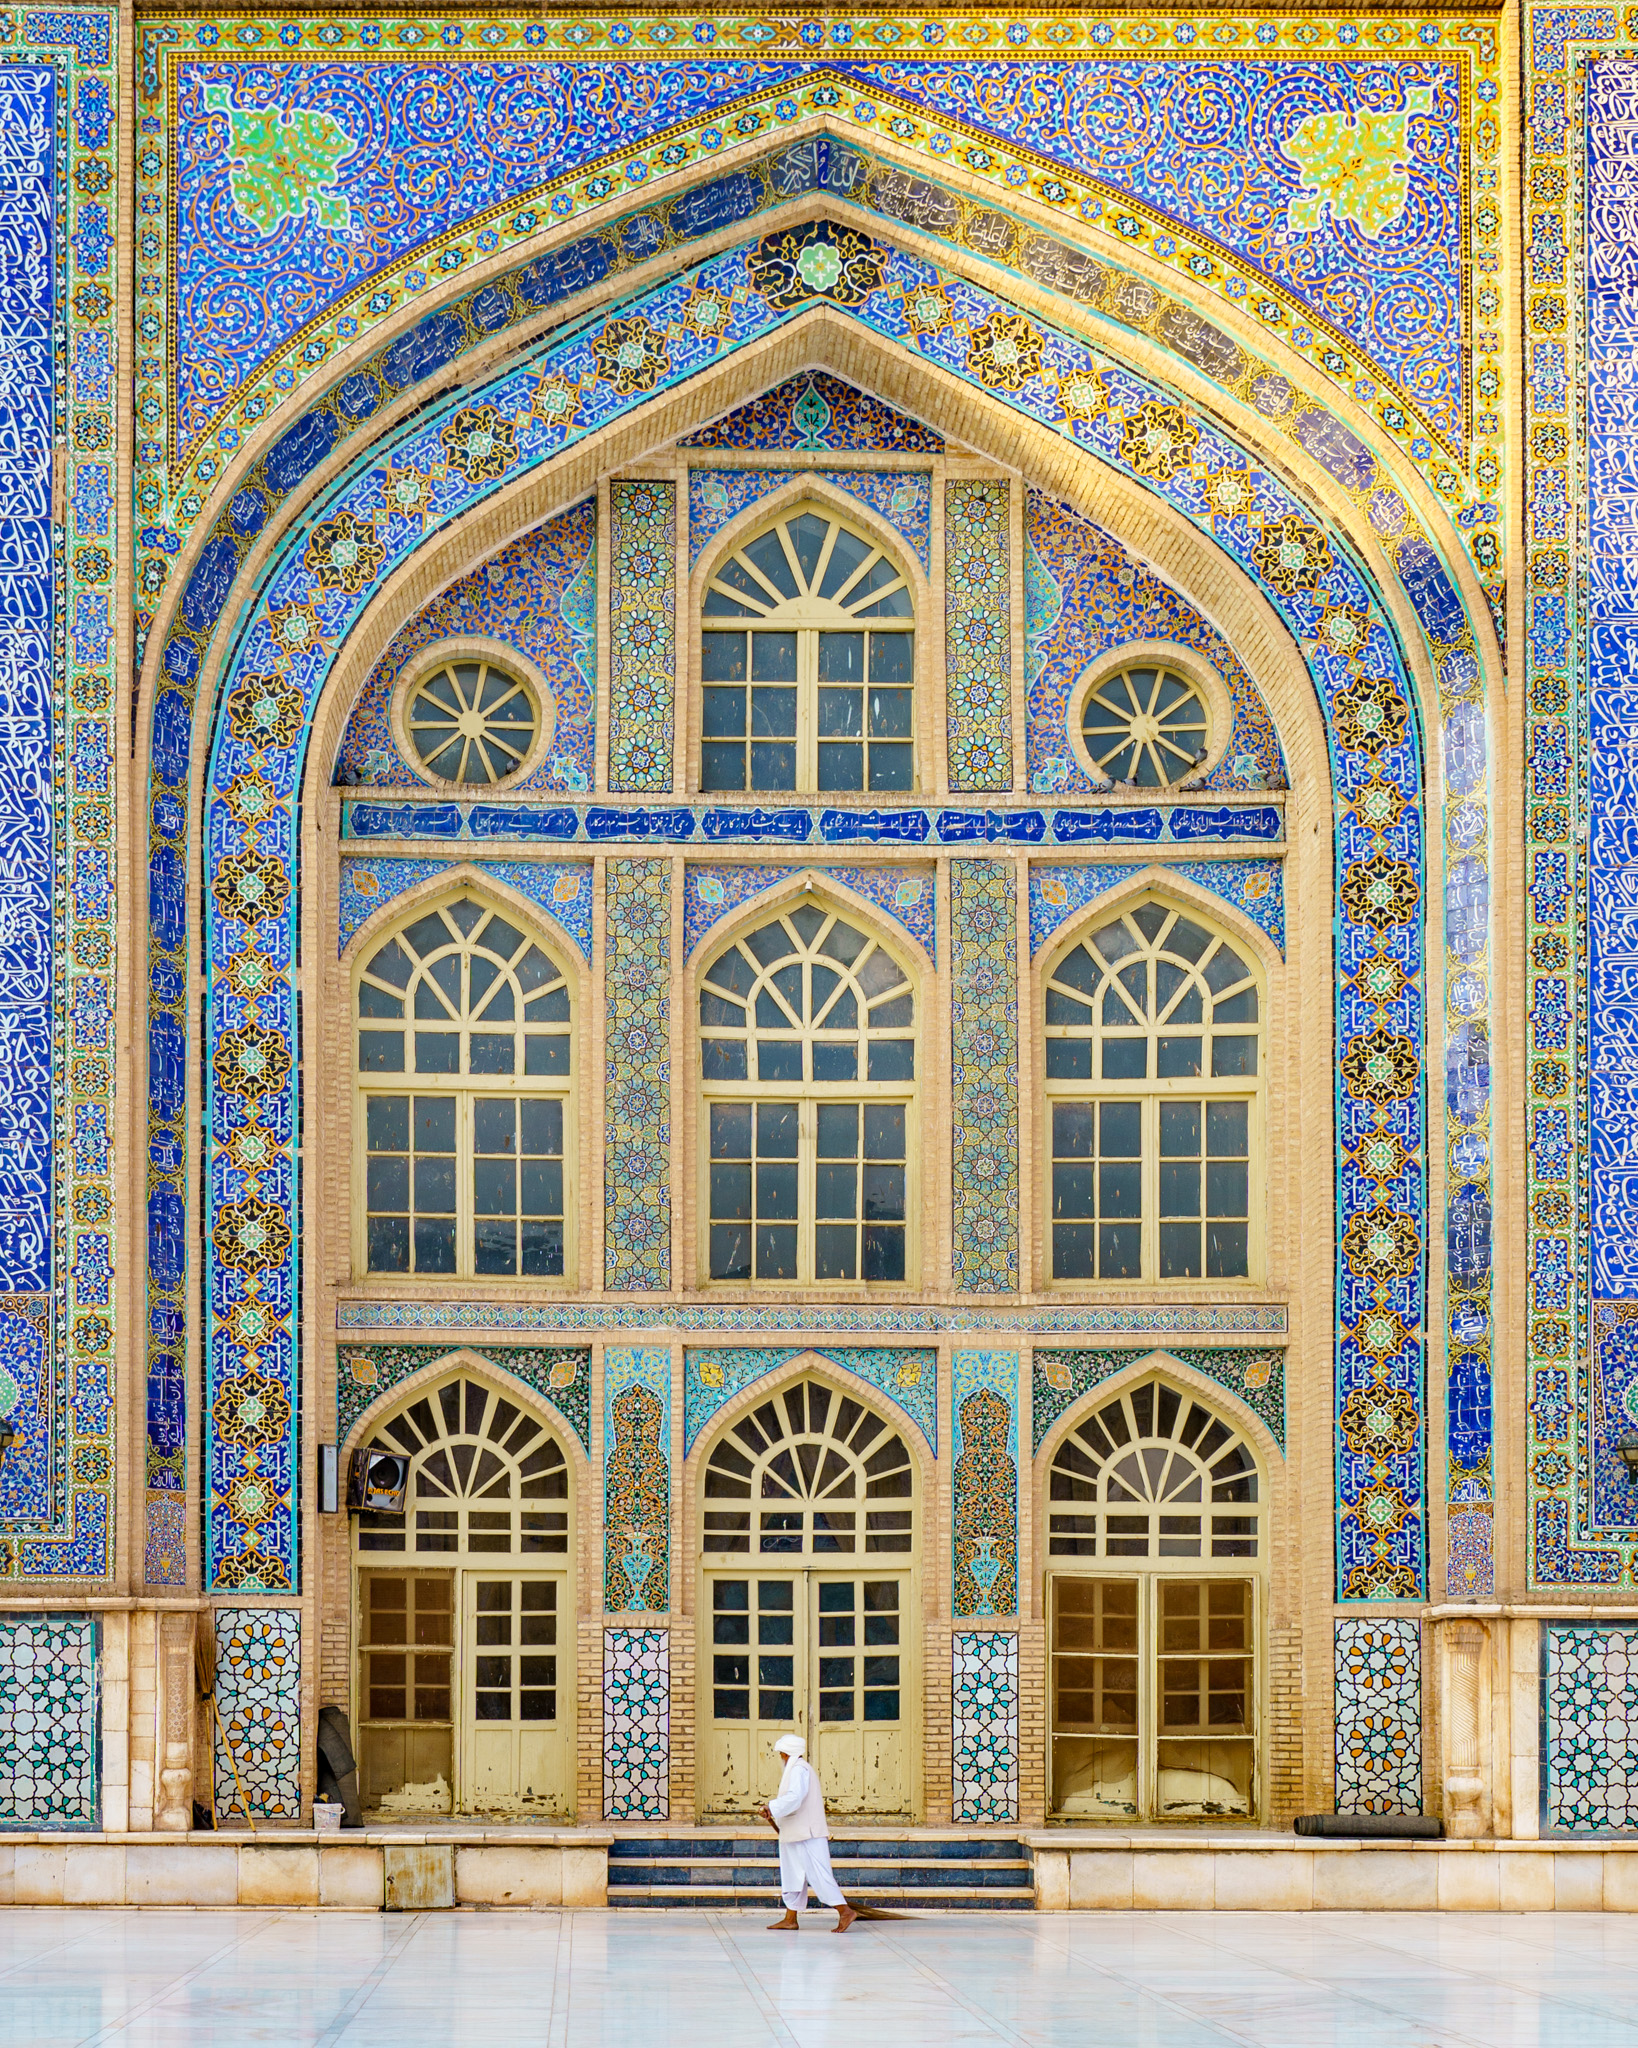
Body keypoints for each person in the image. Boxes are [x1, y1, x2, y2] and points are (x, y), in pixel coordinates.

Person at [761, 1732, 856, 1933]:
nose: (781, 1757)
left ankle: (845, 1911)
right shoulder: (797, 1769)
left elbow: (795, 1797)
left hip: (807, 1833)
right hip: (795, 1832)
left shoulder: (799, 1770)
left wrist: (772, 1807)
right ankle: (790, 1918)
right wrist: (773, 1809)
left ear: (787, 1754)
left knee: (819, 1873)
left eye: (782, 1754)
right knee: (792, 1874)